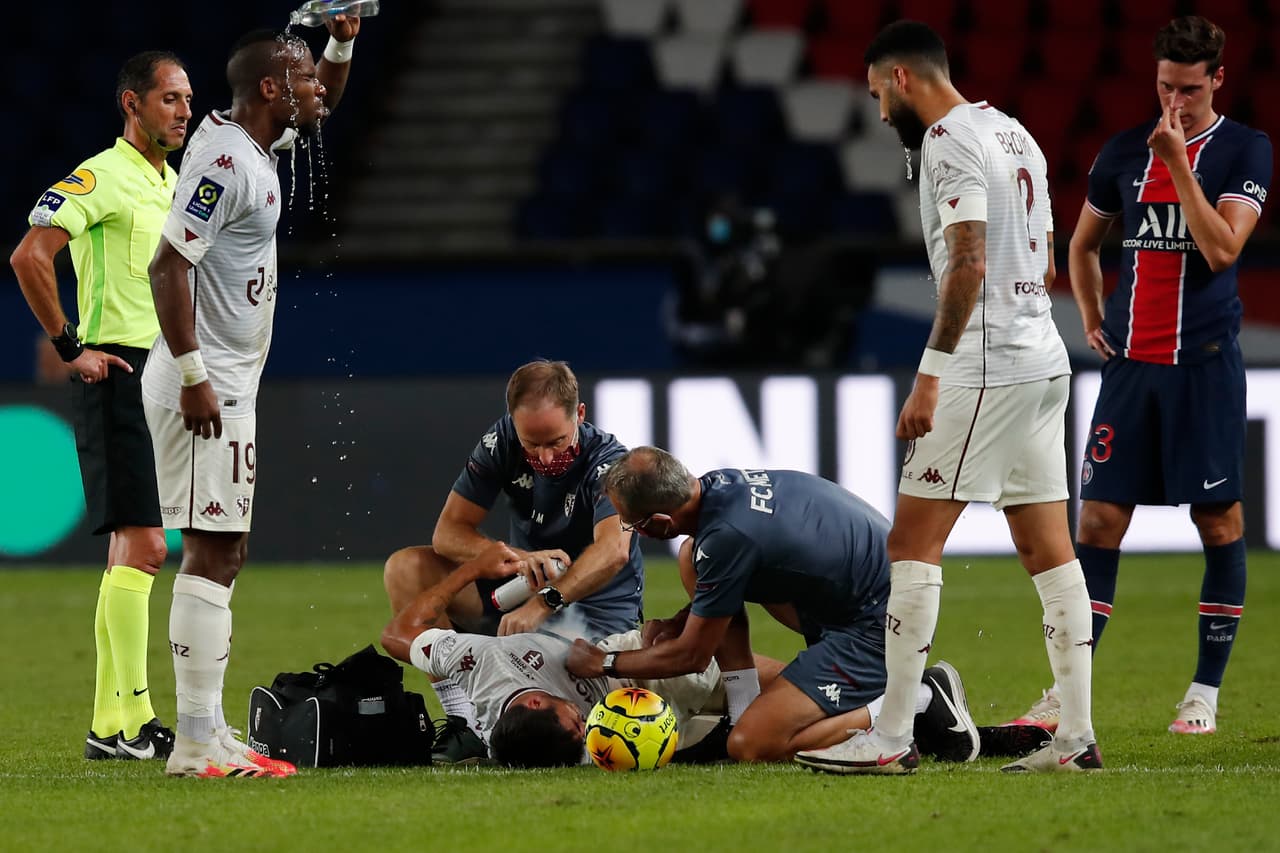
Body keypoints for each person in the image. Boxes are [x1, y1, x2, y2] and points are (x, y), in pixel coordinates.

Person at [793, 21, 1100, 774]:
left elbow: (966, 263)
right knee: (1046, 547)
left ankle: (891, 736)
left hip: (985, 365)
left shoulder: (948, 141)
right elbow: (1048, 258)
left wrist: (931, 372)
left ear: (902, 79)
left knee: (911, 544)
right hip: (1043, 357)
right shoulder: (1015, 132)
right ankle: (1076, 739)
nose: (877, 115)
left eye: (875, 96)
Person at [1009, 16, 1271, 737]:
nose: (1175, 102)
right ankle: (1066, 694)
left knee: (1218, 522)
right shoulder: (1124, 152)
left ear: (1217, 79)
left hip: (1205, 370)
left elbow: (1221, 250)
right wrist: (1093, 317)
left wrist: (1180, 163)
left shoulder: (1246, 150)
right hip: (1132, 370)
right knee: (1096, 520)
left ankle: (1203, 693)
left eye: (1189, 89)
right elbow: (1084, 242)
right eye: (1164, 87)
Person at [141, 18, 363, 778]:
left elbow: (324, 97)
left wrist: (338, 43)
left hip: (227, 381)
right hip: (207, 383)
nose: (316, 92)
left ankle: (208, 728)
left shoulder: (259, 142)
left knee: (224, 547)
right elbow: (166, 266)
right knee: (212, 547)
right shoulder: (227, 164)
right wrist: (197, 373)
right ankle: (196, 742)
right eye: (301, 78)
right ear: (271, 89)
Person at [564, 446, 982, 767]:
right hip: (866, 595)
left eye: (630, 524)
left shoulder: (727, 536)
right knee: (692, 557)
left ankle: (918, 699)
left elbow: (693, 655)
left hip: (879, 623)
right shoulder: (717, 488)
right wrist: (683, 620)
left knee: (751, 744)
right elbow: (730, 575)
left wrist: (606, 663)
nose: (630, 532)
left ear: (658, 523)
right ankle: (744, 706)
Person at [10, 51, 193, 761]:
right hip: (119, 369)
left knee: (132, 549)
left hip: (164, 375)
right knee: (146, 546)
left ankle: (114, 725)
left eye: (187, 99)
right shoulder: (103, 176)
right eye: (169, 98)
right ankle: (132, 716)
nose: (182, 110)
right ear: (132, 104)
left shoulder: (171, 184)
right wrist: (67, 345)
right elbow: (31, 255)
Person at [382, 359, 645, 763]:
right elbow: (448, 533)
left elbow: (614, 551)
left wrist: (546, 601)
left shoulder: (609, 463)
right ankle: (463, 723)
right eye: (531, 444)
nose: (542, 457)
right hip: (520, 598)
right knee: (407, 568)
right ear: (513, 423)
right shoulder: (502, 441)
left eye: (556, 442)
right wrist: (519, 559)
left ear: (580, 414)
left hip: (593, 620)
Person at [380, 541, 779, 767]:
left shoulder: (484, 664)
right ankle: (730, 727)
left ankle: (458, 722)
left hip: (633, 661)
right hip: (635, 702)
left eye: (574, 720)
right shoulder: (570, 748)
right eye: (581, 728)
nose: (584, 722)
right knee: (772, 703)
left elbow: (397, 635)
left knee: (783, 683)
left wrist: (473, 570)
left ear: (535, 701)